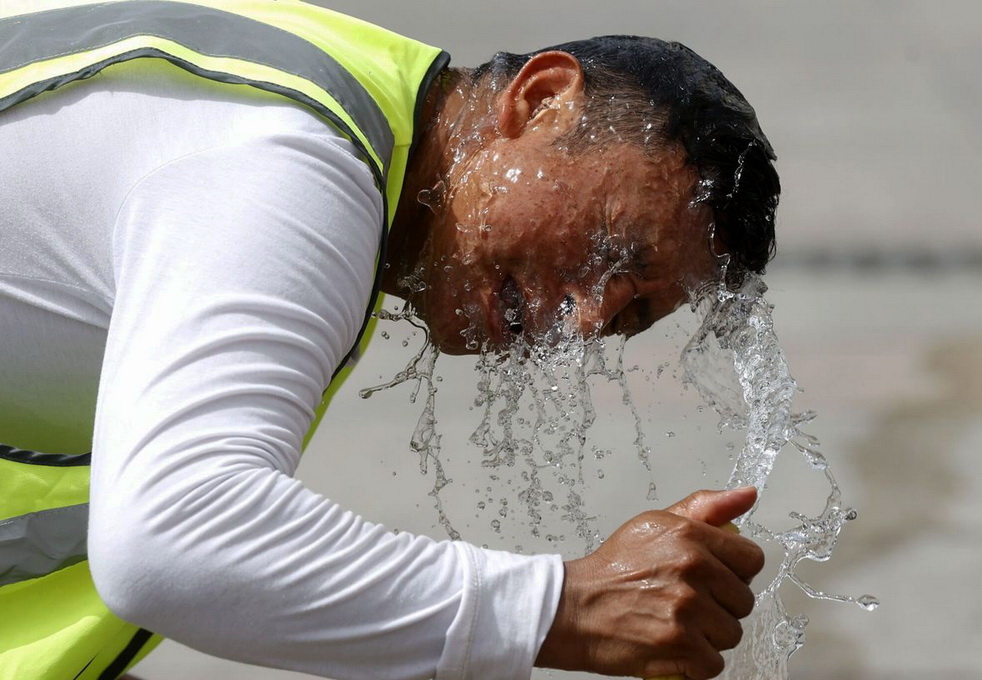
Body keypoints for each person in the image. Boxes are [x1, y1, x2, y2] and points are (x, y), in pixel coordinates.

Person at [0, 1, 778, 679]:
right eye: (611, 246)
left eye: (627, 317)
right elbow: (171, 540)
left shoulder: (333, 101)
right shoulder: (300, 166)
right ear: (540, 100)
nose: (581, 321)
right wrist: (561, 607)